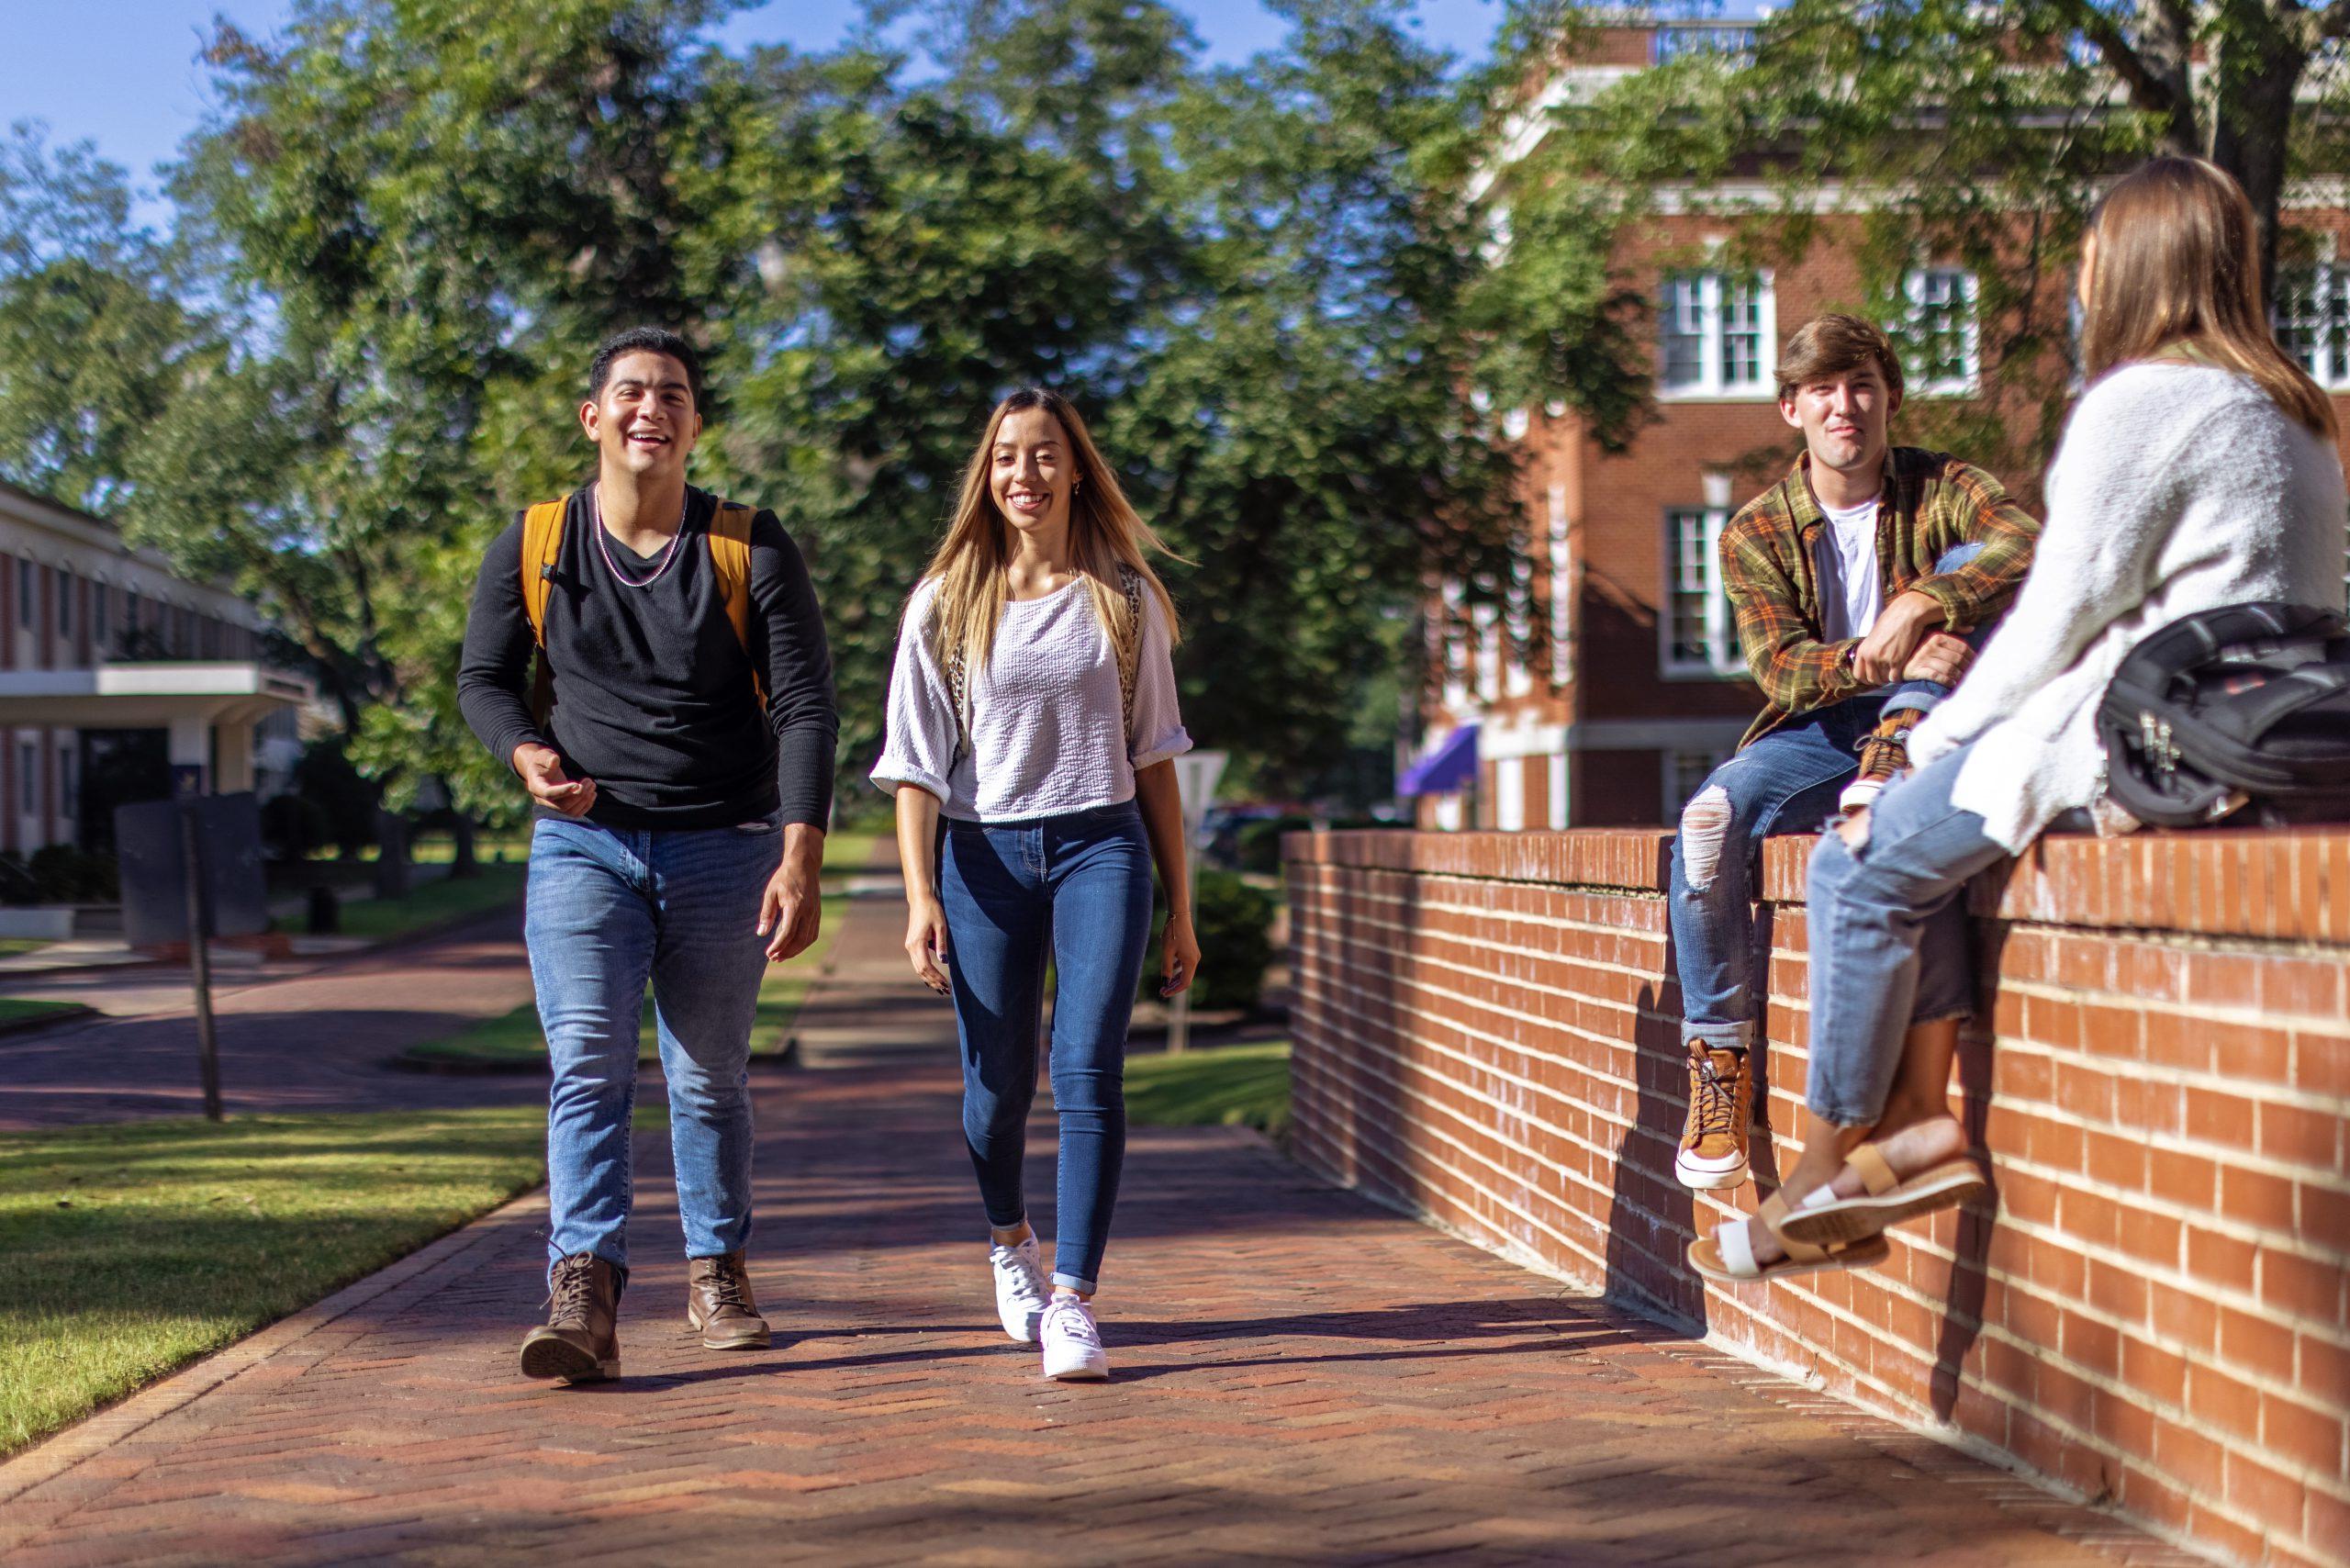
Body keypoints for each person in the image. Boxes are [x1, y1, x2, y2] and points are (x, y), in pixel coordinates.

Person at [1693, 156, 2348, 1283]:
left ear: (2133, 268)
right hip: (2272, 728)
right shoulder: (2291, 411)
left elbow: (2054, 616)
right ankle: (1920, 1125)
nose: (2084, 281)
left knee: (1858, 866)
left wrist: (1933, 743)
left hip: (2144, 740)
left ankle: (1820, 1166)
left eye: (2094, 258)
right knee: (1924, 847)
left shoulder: (2136, 404)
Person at [458, 326, 838, 1380]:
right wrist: (524, 750)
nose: (650, 410)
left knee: (708, 1075)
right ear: (593, 418)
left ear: (694, 423)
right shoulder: (535, 542)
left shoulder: (748, 545)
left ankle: (717, 1268)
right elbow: (482, 681)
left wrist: (798, 854)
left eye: (672, 395)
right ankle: (584, 1285)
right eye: (629, 392)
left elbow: (807, 708)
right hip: (583, 847)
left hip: (725, 843)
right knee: (586, 1065)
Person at [1669, 314, 2041, 1195]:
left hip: (1943, 711)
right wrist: (1877, 651)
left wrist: (1928, 599)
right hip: (1817, 732)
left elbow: (2023, 542)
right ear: (1791, 408)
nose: (1847, 408)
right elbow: (1781, 670)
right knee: (1709, 822)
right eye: (1825, 392)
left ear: (1891, 400)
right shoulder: (1754, 532)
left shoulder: (1944, 487)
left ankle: (1891, 768)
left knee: (1926, 690)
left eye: (1864, 386)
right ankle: (1719, 1065)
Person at [872, 386, 1198, 1383]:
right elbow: (915, 765)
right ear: (988, 473)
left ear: (1075, 469)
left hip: (1101, 845)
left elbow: (1154, 759)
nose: (1027, 474)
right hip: (982, 857)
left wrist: (1182, 906)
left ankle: (1076, 1300)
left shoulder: (1124, 597)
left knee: (1089, 1066)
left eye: (1047, 454)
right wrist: (920, 895)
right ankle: (1010, 1242)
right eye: (1009, 456)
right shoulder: (944, 600)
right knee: (993, 1089)